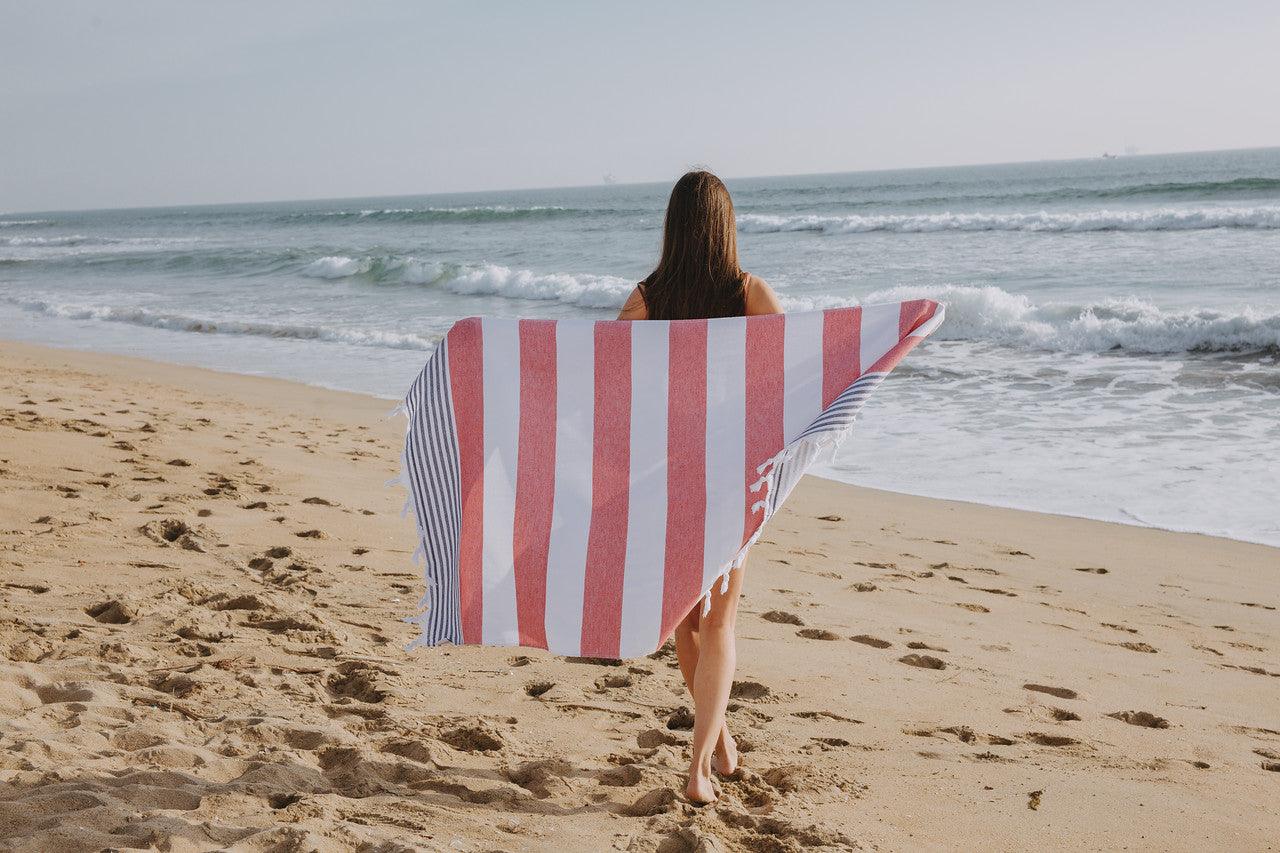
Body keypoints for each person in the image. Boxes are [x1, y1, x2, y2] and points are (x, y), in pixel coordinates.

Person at [617, 170, 783, 804]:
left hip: (668, 475)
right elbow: (791, 380)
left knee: (687, 622)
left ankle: (717, 742)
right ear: (725, 225)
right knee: (720, 623)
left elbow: (615, 387)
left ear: (674, 227)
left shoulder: (645, 298)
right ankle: (700, 768)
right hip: (732, 473)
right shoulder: (749, 293)